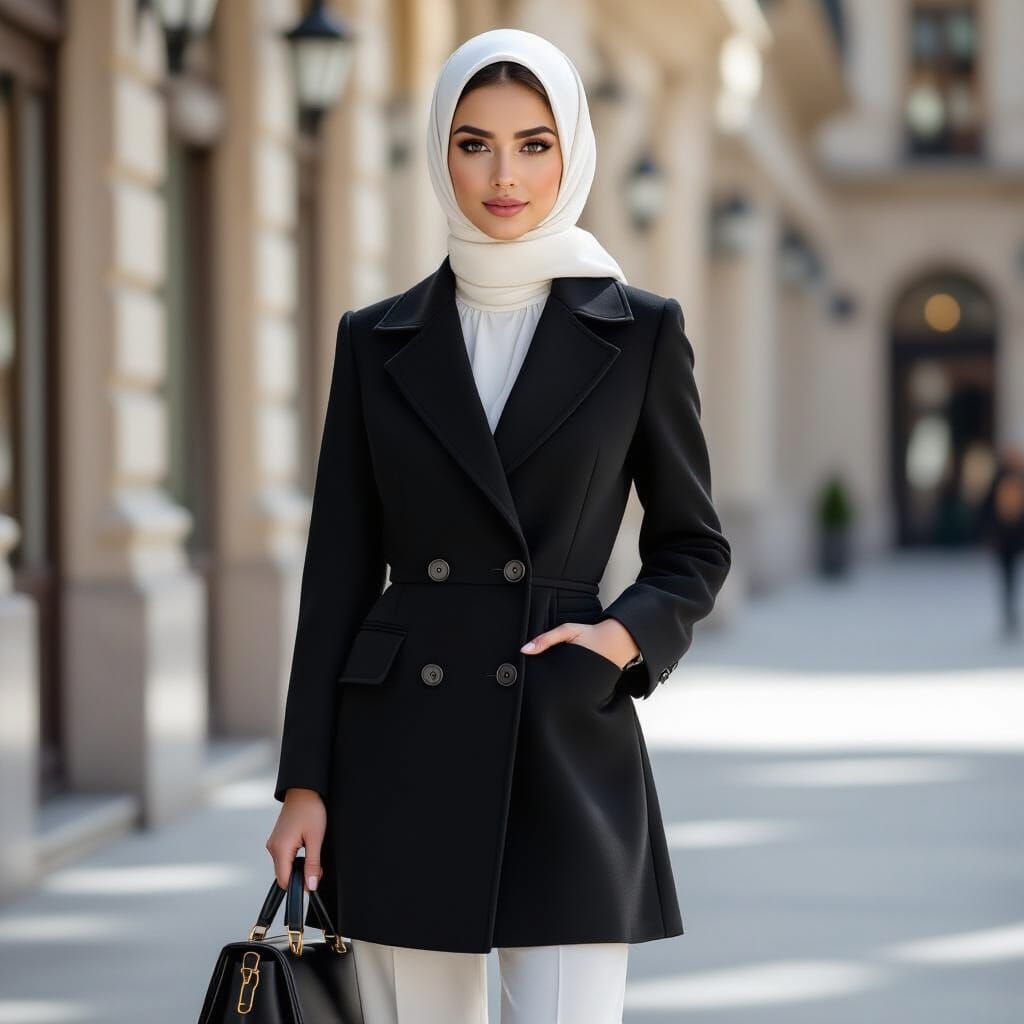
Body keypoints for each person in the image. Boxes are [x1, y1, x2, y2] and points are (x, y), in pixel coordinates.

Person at [265, 27, 731, 1024]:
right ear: (442, 152)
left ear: (572, 154)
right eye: (475, 143)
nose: (503, 174)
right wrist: (302, 783)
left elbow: (693, 541)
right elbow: (337, 572)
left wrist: (617, 639)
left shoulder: (639, 330)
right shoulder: (375, 339)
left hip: (563, 731)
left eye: (533, 143)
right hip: (400, 745)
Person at [978, 440, 1024, 636]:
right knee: (1007, 578)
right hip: (1005, 539)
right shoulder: (998, 480)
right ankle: (1009, 613)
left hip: (1018, 536)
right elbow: (987, 510)